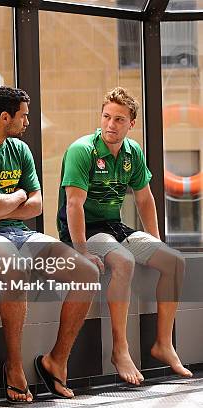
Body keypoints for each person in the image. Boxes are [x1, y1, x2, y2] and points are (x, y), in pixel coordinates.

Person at [0, 85, 99, 402]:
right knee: (15, 270)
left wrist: (9, 202)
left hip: (18, 232)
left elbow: (37, 205)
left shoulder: (20, 149)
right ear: (5, 117)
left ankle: (56, 360)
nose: (27, 122)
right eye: (23, 116)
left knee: (86, 272)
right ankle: (14, 365)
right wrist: (17, 198)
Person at [57, 86, 191, 385]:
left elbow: (144, 198)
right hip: (85, 231)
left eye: (119, 119)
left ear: (131, 123)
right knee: (125, 261)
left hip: (115, 227)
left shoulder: (133, 152)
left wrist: (155, 239)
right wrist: (81, 250)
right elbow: (74, 203)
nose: (110, 125)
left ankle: (164, 344)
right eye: (106, 117)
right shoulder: (83, 150)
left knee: (175, 261)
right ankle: (120, 348)